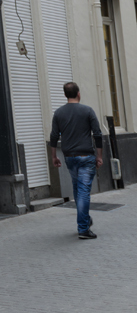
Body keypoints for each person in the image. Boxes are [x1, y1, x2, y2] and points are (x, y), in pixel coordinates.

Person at [49, 81, 103, 239]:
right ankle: (83, 229)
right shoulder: (87, 110)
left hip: (70, 158)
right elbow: (97, 134)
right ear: (78, 94)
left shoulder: (59, 113)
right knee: (84, 192)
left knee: (78, 189)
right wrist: (99, 156)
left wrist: (54, 156)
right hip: (86, 157)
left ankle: (85, 219)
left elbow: (54, 136)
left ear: (65, 95)